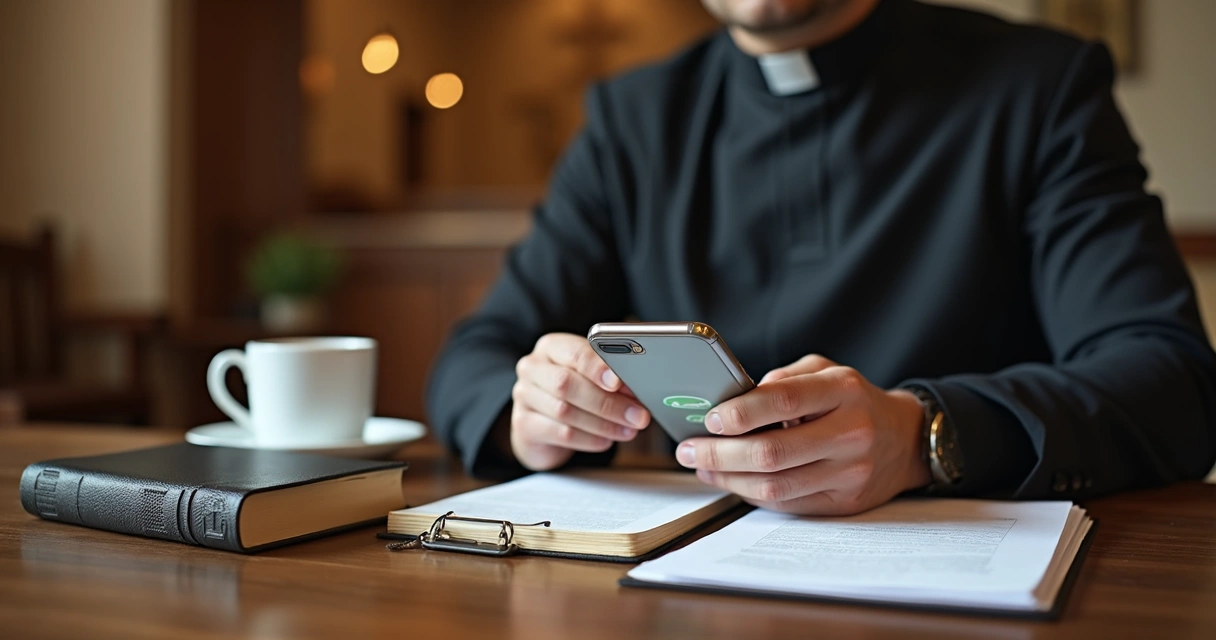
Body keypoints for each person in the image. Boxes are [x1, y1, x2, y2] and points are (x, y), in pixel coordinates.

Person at [426, 0, 1216, 515]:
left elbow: (1173, 382)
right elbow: (475, 357)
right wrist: (530, 417)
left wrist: (924, 436)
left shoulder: (1039, 88)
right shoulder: (633, 120)